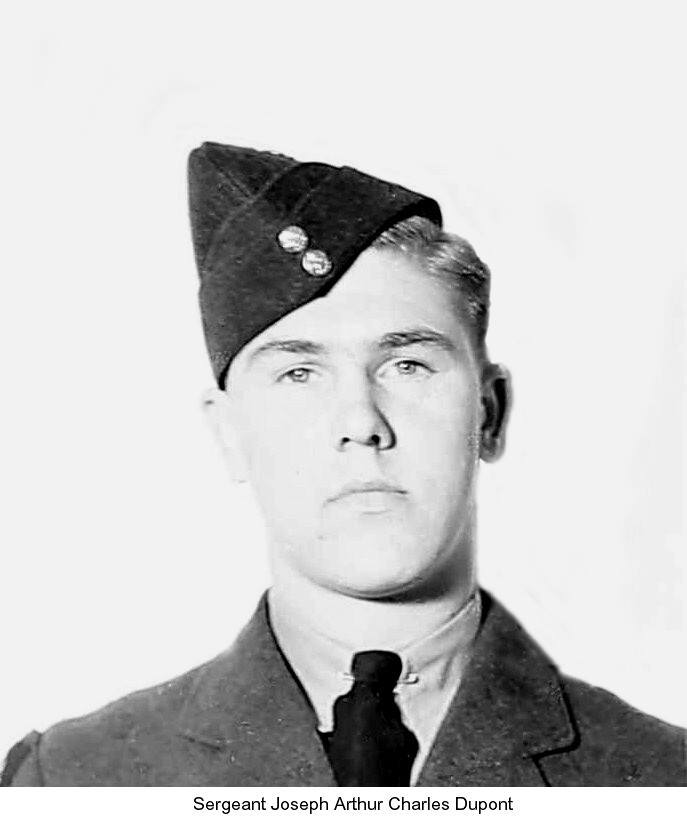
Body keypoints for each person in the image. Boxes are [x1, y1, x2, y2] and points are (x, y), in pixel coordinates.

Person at [2, 143, 685, 788]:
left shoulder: (661, 776)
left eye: (407, 365)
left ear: (489, 412)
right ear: (227, 433)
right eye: (299, 373)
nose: (361, 422)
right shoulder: (70, 781)